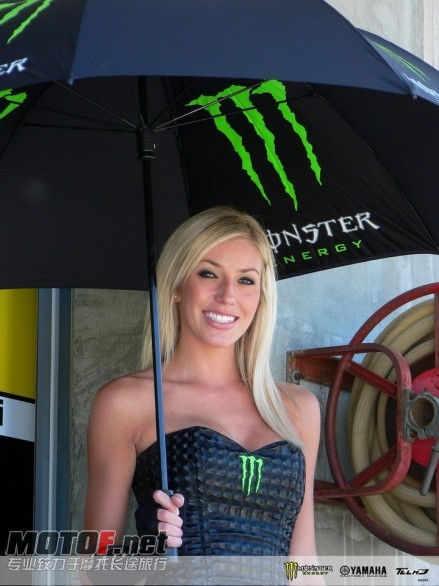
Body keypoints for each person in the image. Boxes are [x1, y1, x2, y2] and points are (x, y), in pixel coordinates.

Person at [84, 206, 322, 584]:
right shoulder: (126, 402)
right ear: (177, 286)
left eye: (246, 280)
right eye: (209, 273)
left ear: (262, 295)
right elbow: (92, 568)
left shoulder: (297, 408)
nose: (228, 295)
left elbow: (304, 564)